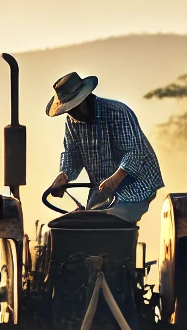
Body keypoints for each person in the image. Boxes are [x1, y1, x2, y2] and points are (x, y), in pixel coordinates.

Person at [46, 71, 164, 223]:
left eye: (74, 108)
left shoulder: (117, 112)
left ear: (85, 99)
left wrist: (115, 179)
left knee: (112, 220)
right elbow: (72, 154)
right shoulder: (72, 122)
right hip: (103, 188)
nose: (72, 114)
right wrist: (63, 176)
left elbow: (134, 152)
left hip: (136, 184)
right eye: (68, 111)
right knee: (81, 221)